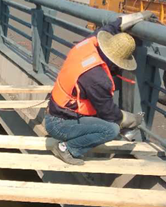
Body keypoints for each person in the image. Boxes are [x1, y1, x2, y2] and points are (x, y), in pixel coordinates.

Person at [45, 13, 156, 165]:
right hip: (59, 124)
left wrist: (139, 16)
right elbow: (108, 113)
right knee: (111, 129)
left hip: (54, 110)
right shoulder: (98, 79)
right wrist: (129, 119)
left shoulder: (89, 43)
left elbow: (111, 26)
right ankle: (67, 149)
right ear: (115, 62)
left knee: (105, 121)